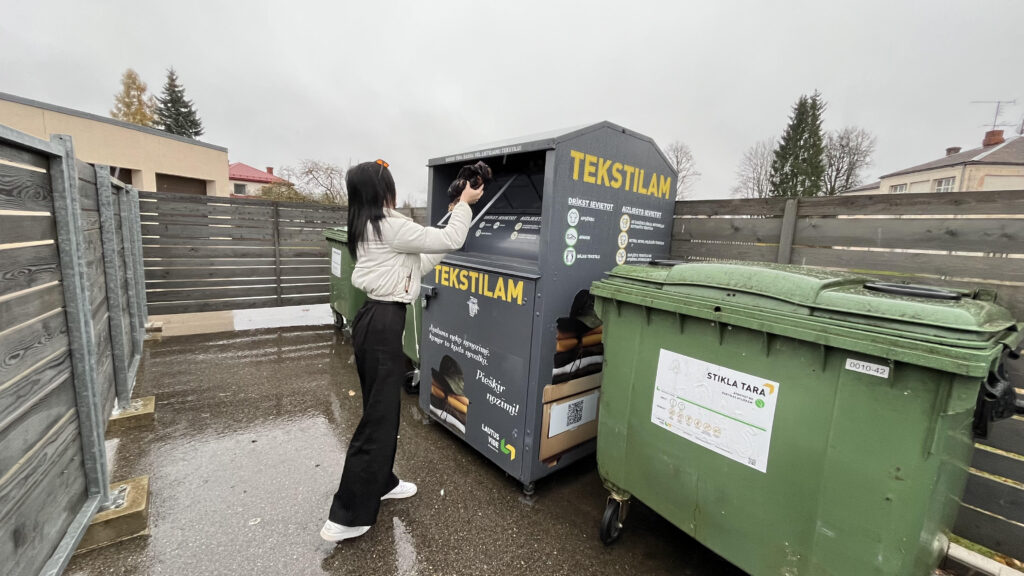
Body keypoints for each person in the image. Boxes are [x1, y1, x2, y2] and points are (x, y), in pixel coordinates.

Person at [321, 159, 483, 543]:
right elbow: (449, 239)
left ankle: (382, 481)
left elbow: (420, 260)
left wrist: (451, 219)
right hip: (382, 323)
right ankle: (346, 515)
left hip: (371, 321)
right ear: (382, 191)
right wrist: (465, 204)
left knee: (382, 411)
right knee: (378, 418)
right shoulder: (388, 224)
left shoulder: (365, 226)